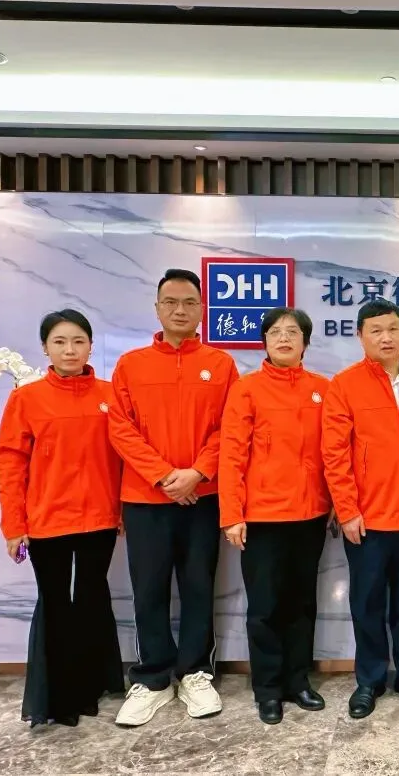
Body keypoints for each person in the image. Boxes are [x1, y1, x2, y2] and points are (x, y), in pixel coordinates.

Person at [109, 268, 239, 727]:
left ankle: (196, 673)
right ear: (157, 308)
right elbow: (120, 428)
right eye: (170, 302)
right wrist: (165, 476)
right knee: (148, 589)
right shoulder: (131, 364)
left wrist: (197, 473)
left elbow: (230, 427)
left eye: (188, 302)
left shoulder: (221, 364)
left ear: (202, 309)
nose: (179, 310)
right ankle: (152, 679)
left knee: (199, 586)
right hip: (146, 499)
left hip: (203, 497)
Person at [0, 309, 124, 727]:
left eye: (78, 341)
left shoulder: (110, 396)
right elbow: (10, 464)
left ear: (90, 346)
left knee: (90, 599)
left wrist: (123, 510)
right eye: (60, 342)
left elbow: (125, 458)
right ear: (45, 348)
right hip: (47, 520)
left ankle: (90, 687)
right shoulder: (26, 398)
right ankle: (57, 698)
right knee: (55, 604)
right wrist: (14, 525)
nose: (70, 350)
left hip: (100, 520)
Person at [321, 299, 399, 719]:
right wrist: (347, 509)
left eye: (393, 329)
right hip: (367, 519)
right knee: (368, 603)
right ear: (361, 336)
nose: (386, 337)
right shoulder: (345, 384)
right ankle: (369, 680)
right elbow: (334, 454)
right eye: (376, 330)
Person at [219, 307, 330, 726]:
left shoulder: (322, 389)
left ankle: (298, 681)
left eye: (293, 332)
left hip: (310, 514)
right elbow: (232, 455)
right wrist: (232, 514)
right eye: (276, 332)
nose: (284, 338)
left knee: (302, 603)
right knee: (265, 606)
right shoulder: (246, 389)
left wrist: (336, 504)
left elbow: (334, 453)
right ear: (264, 341)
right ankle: (267, 689)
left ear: (305, 342)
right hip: (262, 517)